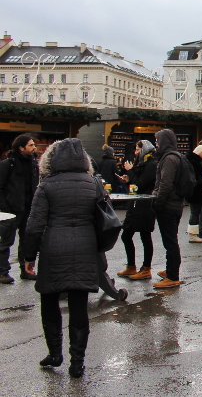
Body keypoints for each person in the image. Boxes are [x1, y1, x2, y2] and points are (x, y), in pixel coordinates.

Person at [21, 138, 100, 378]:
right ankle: (78, 362)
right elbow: (104, 219)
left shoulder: (46, 186)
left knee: (49, 300)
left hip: (53, 246)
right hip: (85, 247)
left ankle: (55, 353)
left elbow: (34, 226)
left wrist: (28, 256)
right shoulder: (93, 183)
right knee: (79, 305)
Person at [0, 133, 39, 284]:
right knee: (6, 242)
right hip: (11, 210)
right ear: (21, 147)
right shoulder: (7, 165)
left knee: (27, 241)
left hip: (28, 209)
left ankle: (26, 269)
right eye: (31, 145)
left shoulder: (33, 164)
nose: (34, 147)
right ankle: (3, 272)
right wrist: (5, 207)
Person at [117, 140, 157, 281]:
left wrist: (130, 170)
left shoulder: (151, 164)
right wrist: (129, 179)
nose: (135, 152)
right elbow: (137, 182)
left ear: (144, 150)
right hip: (136, 203)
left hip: (144, 204)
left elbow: (140, 184)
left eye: (137, 149)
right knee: (127, 235)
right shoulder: (143, 164)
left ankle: (146, 268)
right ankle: (131, 266)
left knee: (145, 236)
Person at [152, 129, 187, 289]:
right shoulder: (176, 156)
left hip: (168, 205)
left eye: (158, 140)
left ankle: (173, 276)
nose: (156, 143)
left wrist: (157, 203)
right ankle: (170, 270)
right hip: (176, 203)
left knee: (170, 241)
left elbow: (165, 184)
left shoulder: (168, 159)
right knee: (170, 239)